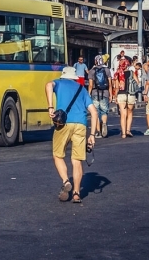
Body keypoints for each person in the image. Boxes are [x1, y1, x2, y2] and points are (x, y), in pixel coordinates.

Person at [46, 65, 99, 204]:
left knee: (57, 155)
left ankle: (65, 181)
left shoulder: (59, 83)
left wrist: (50, 106)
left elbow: (48, 85)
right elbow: (94, 112)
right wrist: (92, 135)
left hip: (64, 123)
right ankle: (76, 193)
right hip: (81, 124)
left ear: (63, 75)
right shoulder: (82, 89)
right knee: (77, 160)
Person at [116, 56, 142, 138]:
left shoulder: (118, 73)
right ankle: (128, 130)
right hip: (131, 95)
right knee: (130, 113)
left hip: (121, 94)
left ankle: (123, 133)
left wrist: (115, 97)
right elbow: (138, 82)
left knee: (123, 115)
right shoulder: (132, 72)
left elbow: (116, 87)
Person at [88, 55, 112, 137]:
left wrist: (88, 94)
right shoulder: (107, 70)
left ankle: (98, 131)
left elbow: (90, 85)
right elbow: (110, 84)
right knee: (104, 111)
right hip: (105, 93)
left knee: (96, 113)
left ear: (95, 61)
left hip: (95, 93)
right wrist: (111, 95)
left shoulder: (92, 71)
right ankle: (104, 124)